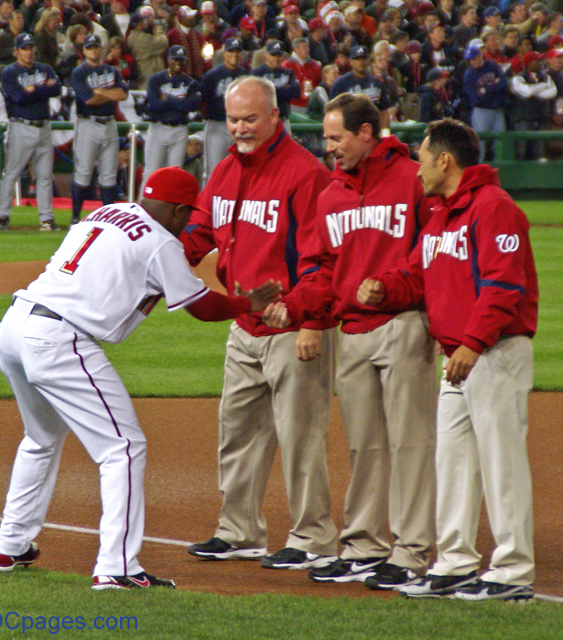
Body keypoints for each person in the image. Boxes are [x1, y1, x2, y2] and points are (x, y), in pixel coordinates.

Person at [0, 166, 282, 590]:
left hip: (15, 327)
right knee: (123, 448)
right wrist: (246, 304)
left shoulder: (107, 211)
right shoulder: (160, 241)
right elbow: (200, 306)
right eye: (187, 214)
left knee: (41, 438)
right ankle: (117, 566)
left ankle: (9, 545)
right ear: (177, 210)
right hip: (58, 339)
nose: (187, 222)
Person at [355, 118, 538, 602]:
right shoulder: (440, 215)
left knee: (501, 464)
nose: (417, 168)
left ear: (444, 159)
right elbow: (417, 274)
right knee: (454, 463)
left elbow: (503, 287)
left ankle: (513, 570)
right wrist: (384, 288)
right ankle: (456, 562)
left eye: (421, 157)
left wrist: (473, 344)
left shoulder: (494, 208)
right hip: (459, 357)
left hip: (493, 353)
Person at [262, 93, 437, 589]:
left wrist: (391, 285)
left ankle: (412, 550)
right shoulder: (332, 193)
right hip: (353, 331)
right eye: (326, 138)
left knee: (410, 442)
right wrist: (295, 306)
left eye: (336, 137)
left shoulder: (411, 179)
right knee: (365, 446)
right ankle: (364, 545)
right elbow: (320, 268)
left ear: (365, 133)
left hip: (404, 322)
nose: (329, 147)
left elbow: (430, 250)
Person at [183, 76, 338, 571]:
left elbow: (321, 258)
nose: (240, 128)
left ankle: (312, 537)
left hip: (291, 326)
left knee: (301, 437)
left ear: (275, 116)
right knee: (236, 432)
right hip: (244, 324)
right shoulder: (226, 169)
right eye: (233, 119)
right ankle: (239, 531)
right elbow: (198, 232)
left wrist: (308, 318)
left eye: (250, 119)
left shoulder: (305, 173)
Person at [0, 33, 62, 231]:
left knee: (45, 175)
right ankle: (3, 216)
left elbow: (57, 89)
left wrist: (33, 89)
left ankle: (46, 218)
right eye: (24, 48)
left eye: (31, 47)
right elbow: (19, 98)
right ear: (16, 51)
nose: (29, 52)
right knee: (12, 173)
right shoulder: (10, 72)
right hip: (21, 126)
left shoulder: (44, 68)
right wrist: (42, 89)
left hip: (44, 126)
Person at [69, 34, 128, 225]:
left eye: (96, 47)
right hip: (88, 123)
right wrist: (110, 94)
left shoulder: (112, 70)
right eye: (90, 47)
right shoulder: (79, 72)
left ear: (102, 49)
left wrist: (100, 91)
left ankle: (108, 219)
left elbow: (123, 94)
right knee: (84, 171)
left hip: (109, 123)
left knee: (109, 174)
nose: (93, 50)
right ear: (84, 50)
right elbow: (88, 99)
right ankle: (75, 217)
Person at [141, 45, 201, 194]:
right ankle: (143, 204)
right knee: (151, 172)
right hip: (158, 128)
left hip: (180, 129)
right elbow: (154, 104)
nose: (178, 63)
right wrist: (180, 102)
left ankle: (169, 205)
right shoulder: (156, 79)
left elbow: (191, 106)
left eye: (181, 59)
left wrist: (169, 98)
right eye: (175, 59)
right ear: (168, 60)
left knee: (175, 173)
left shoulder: (191, 82)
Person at [199, 36, 245, 183]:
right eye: (231, 51)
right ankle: (208, 198)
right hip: (217, 125)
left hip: (239, 127)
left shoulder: (246, 76)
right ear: (224, 53)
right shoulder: (212, 76)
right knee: (212, 170)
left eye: (237, 51)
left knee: (239, 170)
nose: (234, 55)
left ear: (242, 54)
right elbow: (202, 102)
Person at [462, 43, 508, 162]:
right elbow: (476, 99)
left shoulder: (492, 65)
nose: (472, 62)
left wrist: (486, 89)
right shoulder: (469, 75)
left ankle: (500, 170)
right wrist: (495, 86)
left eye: (474, 58)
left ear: (481, 56)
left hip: (497, 110)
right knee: (480, 144)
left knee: (501, 143)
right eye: (470, 60)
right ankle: (478, 170)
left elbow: (504, 84)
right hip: (481, 111)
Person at [330, 45, 392, 131]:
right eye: (357, 59)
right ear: (351, 62)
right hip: (350, 131)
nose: (361, 62)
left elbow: (384, 111)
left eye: (364, 59)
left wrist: (385, 133)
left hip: (372, 131)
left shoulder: (377, 83)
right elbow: (333, 112)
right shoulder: (340, 83)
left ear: (368, 61)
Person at [252, 39, 301, 129]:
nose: (276, 58)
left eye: (279, 55)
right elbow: (256, 95)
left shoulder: (288, 72)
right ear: (266, 55)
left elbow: (296, 92)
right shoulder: (257, 72)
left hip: (283, 120)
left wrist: (270, 90)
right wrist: (284, 89)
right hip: (264, 121)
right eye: (273, 55)